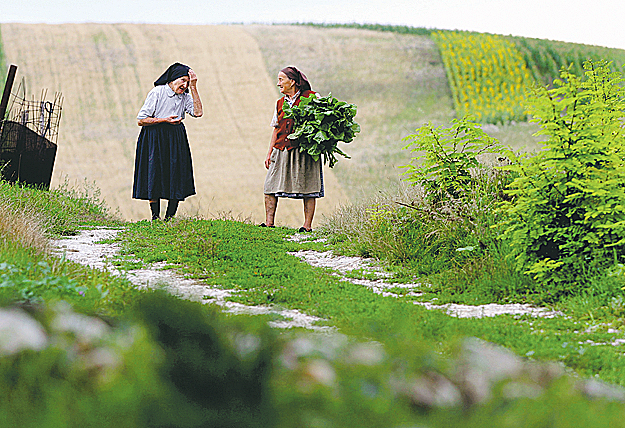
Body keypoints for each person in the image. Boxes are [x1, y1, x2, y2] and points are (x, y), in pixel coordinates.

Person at [132, 62, 203, 221]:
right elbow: (141, 120)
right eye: (183, 80)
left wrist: (194, 87)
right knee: (154, 172)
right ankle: (155, 218)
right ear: (172, 78)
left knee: (176, 174)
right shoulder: (157, 92)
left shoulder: (185, 96)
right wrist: (163, 120)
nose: (185, 85)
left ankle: (170, 218)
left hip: (176, 138)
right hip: (154, 137)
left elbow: (198, 113)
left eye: (187, 82)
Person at [262, 66, 322, 232]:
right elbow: (276, 128)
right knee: (270, 186)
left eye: (281, 79)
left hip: (304, 150)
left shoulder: (312, 98)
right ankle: (268, 224)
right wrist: (269, 153)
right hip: (281, 149)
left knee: (309, 187)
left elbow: (323, 121)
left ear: (293, 81)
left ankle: (307, 226)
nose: (278, 83)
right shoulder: (279, 103)